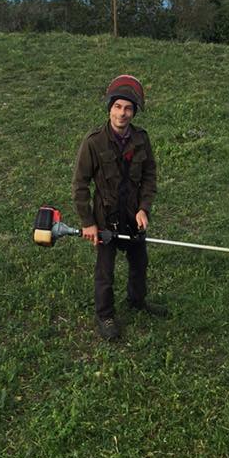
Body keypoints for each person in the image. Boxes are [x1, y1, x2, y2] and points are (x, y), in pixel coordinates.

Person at [72, 74, 168, 340]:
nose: (122, 113)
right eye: (117, 107)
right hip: (106, 218)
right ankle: (105, 315)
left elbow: (149, 176)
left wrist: (144, 208)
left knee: (139, 262)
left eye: (128, 108)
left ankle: (137, 300)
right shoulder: (94, 142)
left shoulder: (141, 139)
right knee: (105, 270)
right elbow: (80, 184)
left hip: (133, 216)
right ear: (109, 108)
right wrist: (88, 222)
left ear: (134, 112)